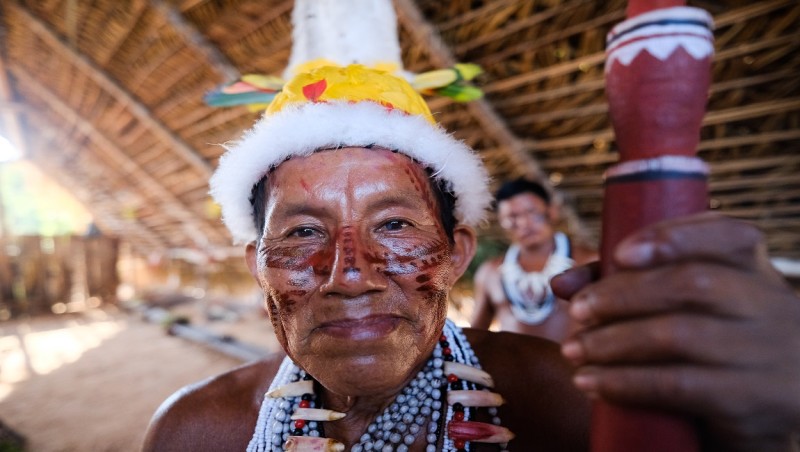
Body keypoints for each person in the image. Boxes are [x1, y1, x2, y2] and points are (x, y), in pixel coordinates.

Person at [143, 64, 800, 451]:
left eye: (394, 224)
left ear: (457, 253)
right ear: (257, 263)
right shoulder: (197, 431)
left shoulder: (563, 403)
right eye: (301, 233)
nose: (349, 273)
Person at [470, 178, 596, 342]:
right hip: (510, 367)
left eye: (531, 212)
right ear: (502, 222)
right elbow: (475, 338)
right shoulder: (489, 273)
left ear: (551, 212)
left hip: (578, 367)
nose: (524, 223)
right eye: (512, 217)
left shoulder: (589, 262)